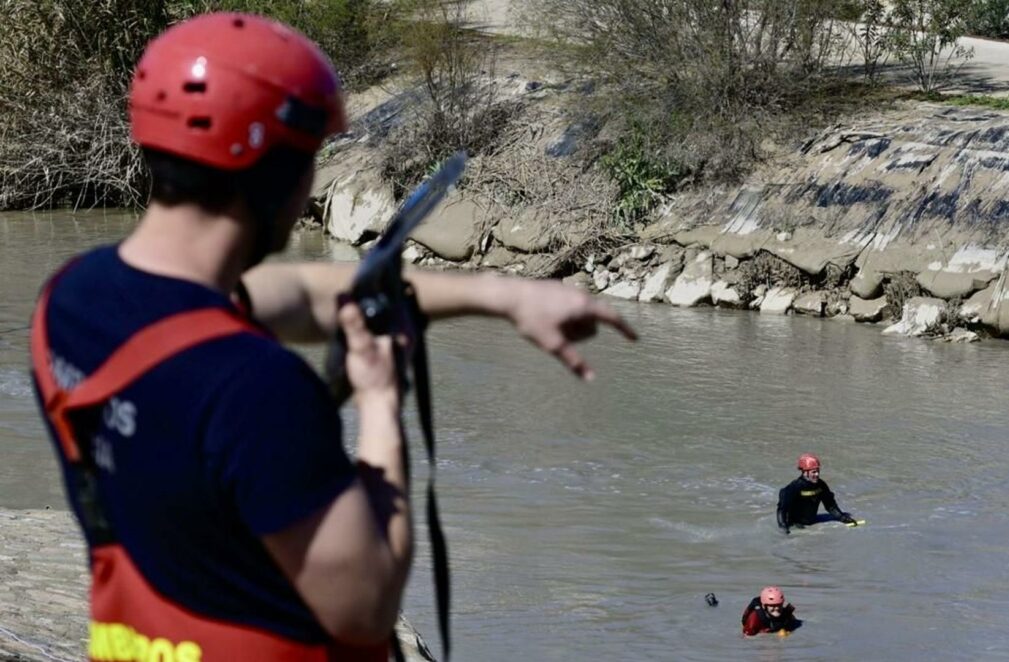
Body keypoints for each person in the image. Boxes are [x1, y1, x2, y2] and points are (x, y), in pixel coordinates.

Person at [29, 12, 635, 660]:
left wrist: (504, 295)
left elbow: (303, 296)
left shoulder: (69, 300)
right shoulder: (255, 387)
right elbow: (364, 606)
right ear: (273, 171)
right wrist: (378, 405)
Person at [776, 453, 857, 533]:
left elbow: (830, 506)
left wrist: (842, 518)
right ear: (805, 472)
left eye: (818, 471)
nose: (817, 474)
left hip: (812, 521)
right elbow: (782, 509)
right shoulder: (795, 486)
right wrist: (783, 527)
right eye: (814, 472)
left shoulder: (821, 485)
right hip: (795, 524)